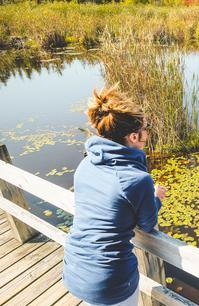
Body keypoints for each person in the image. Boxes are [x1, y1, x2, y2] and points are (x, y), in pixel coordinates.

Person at [63, 84, 166, 306]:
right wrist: (155, 197)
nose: (148, 133)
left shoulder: (86, 164)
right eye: (146, 128)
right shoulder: (138, 180)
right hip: (110, 281)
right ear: (134, 136)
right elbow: (147, 225)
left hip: (74, 267)